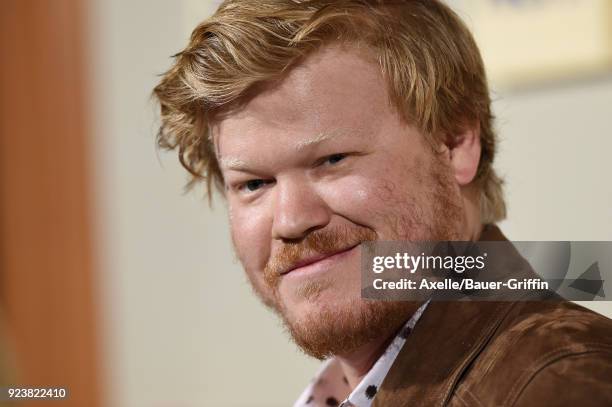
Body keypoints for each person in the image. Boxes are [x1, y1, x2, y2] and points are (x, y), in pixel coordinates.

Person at [152, 1, 612, 405]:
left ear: (454, 144)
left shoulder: (559, 384)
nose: (291, 221)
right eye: (253, 184)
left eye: (331, 160)